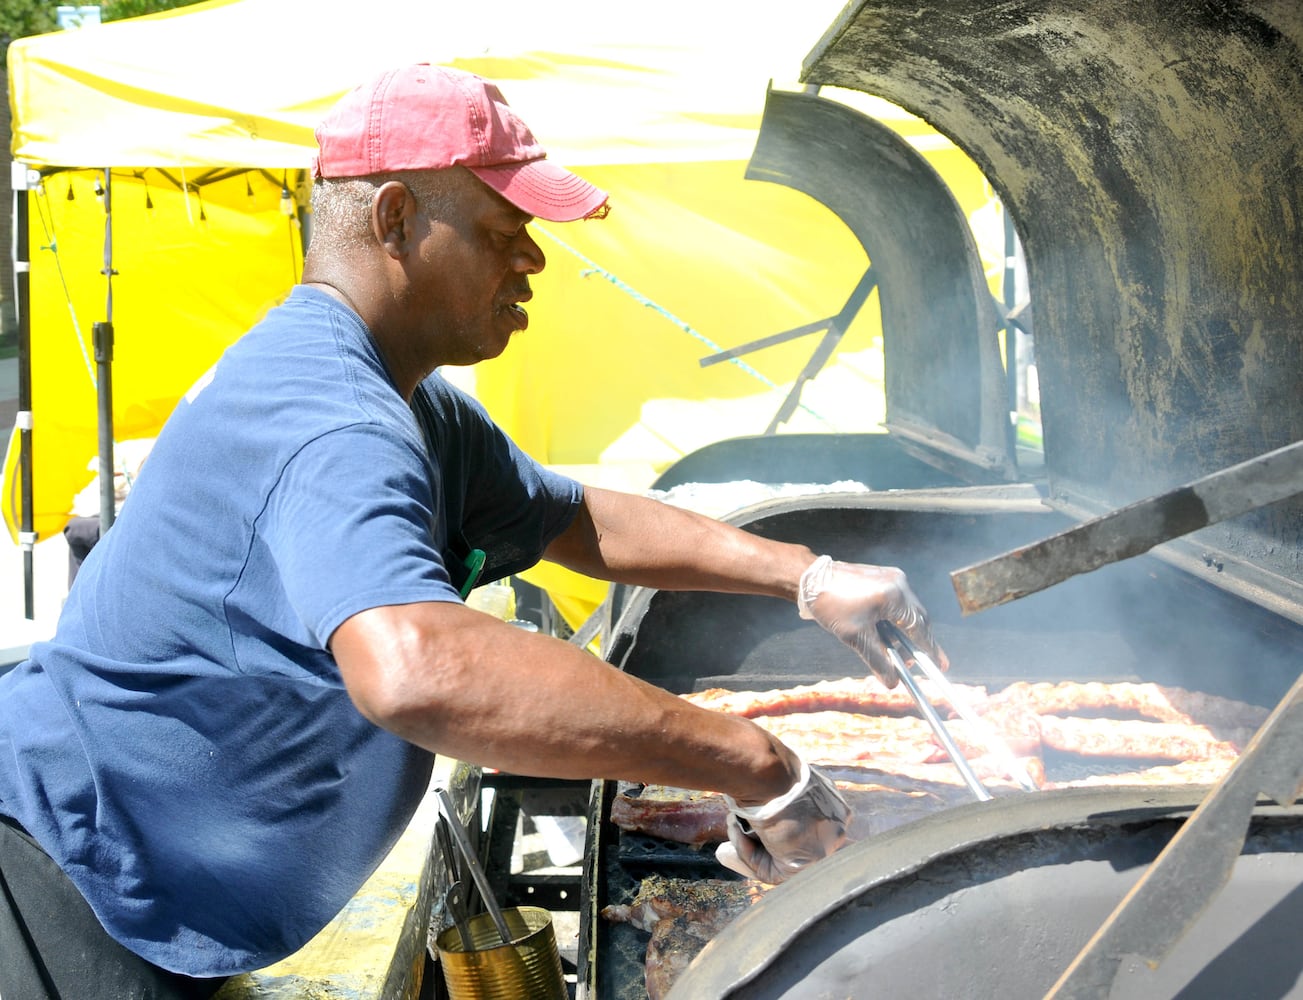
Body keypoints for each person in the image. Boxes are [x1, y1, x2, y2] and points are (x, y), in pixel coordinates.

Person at [0, 64, 947, 998]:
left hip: (154, 875)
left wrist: (808, 575)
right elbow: (415, 667)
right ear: (395, 218)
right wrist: (751, 760)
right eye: (505, 232)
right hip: (63, 872)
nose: (533, 260)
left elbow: (575, 518)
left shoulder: (412, 401)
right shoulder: (332, 416)